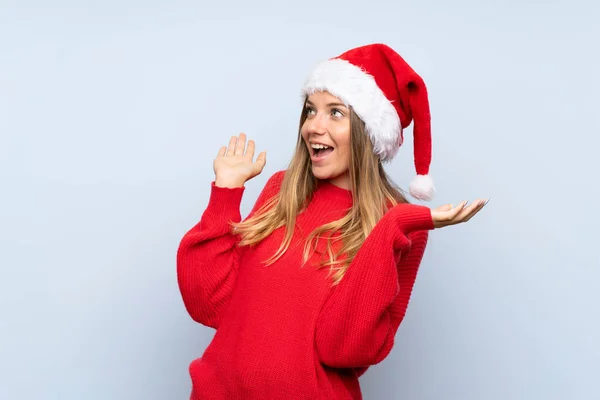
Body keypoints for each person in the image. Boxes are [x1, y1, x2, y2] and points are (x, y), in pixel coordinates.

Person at [177, 43, 487, 399]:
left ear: (368, 131)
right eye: (311, 110)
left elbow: (343, 348)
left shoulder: (397, 223)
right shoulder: (282, 190)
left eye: (335, 113)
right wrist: (225, 194)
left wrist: (392, 229)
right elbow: (211, 303)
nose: (313, 126)